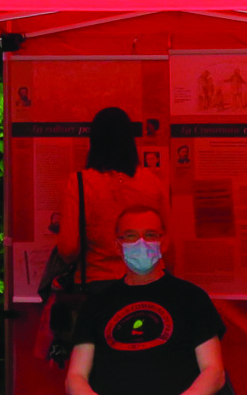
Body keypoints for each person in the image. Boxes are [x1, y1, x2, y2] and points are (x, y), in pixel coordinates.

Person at [65, 205, 226, 395]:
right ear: (117, 246)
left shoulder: (192, 298)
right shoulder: (97, 303)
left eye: (150, 235)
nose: (141, 243)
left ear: (164, 242)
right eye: (130, 236)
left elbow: (214, 371)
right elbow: (75, 377)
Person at [54, 107, 167, 285]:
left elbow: (69, 248)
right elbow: (167, 243)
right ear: (130, 140)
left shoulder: (80, 182)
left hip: (97, 283)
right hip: (146, 282)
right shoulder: (152, 181)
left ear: (94, 141)